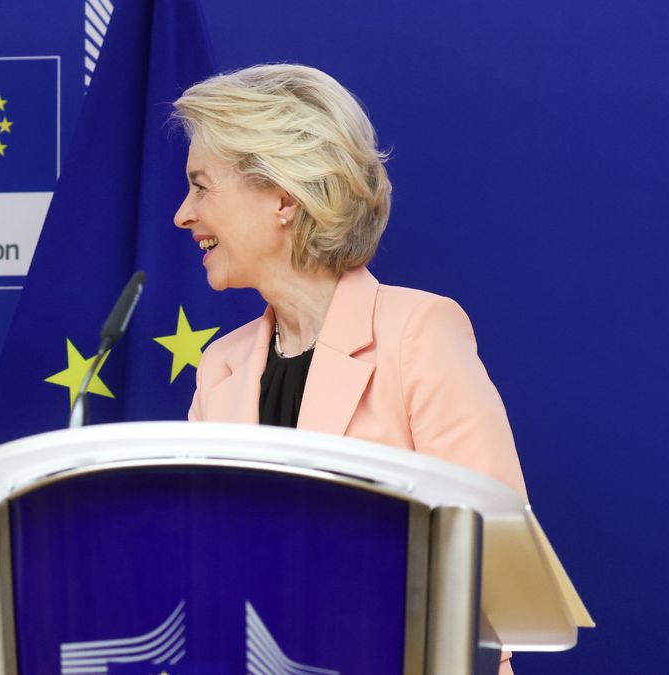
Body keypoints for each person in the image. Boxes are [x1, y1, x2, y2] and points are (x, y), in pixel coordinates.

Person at [173, 64, 525, 674]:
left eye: (201, 187)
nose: (183, 214)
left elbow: (494, 563)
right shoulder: (220, 368)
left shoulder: (418, 333)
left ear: (283, 196)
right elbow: (200, 571)